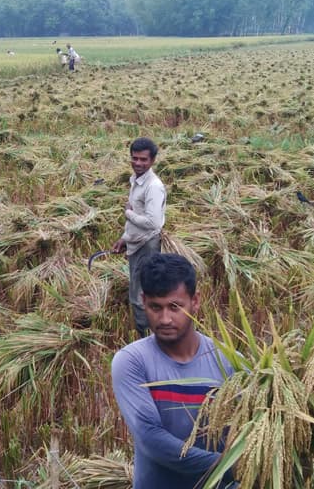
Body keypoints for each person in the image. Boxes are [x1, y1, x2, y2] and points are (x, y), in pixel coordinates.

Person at [111, 253, 235, 489]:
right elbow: (151, 439)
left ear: (195, 301)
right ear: (143, 301)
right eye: (155, 307)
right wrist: (229, 466)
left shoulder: (229, 362)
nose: (165, 319)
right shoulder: (132, 362)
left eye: (175, 307)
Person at [111, 137, 166, 336]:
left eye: (143, 160)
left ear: (152, 161)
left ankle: (146, 337)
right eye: (134, 158)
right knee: (139, 290)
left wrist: (128, 213)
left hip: (147, 244)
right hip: (137, 241)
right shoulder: (136, 180)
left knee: (139, 295)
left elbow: (153, 223)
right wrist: (125, 239)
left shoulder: (153, 186)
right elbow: (138, 216)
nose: (138, 163)